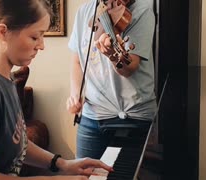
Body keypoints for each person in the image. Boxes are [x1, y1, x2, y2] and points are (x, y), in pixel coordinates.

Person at [0, 0, 113, 179]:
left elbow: (16, 142)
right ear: (3, 33)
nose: (41, 45)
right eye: (35, 36)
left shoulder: (4, 78)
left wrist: (61, 164)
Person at [66, 0, 157, 159]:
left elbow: (129, 68)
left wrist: (112, 55)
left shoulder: (142, 11)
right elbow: (77, 61)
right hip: (92, 117)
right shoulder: (84, 12)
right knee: (84, 174)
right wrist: (75, 95)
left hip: (132, 117)